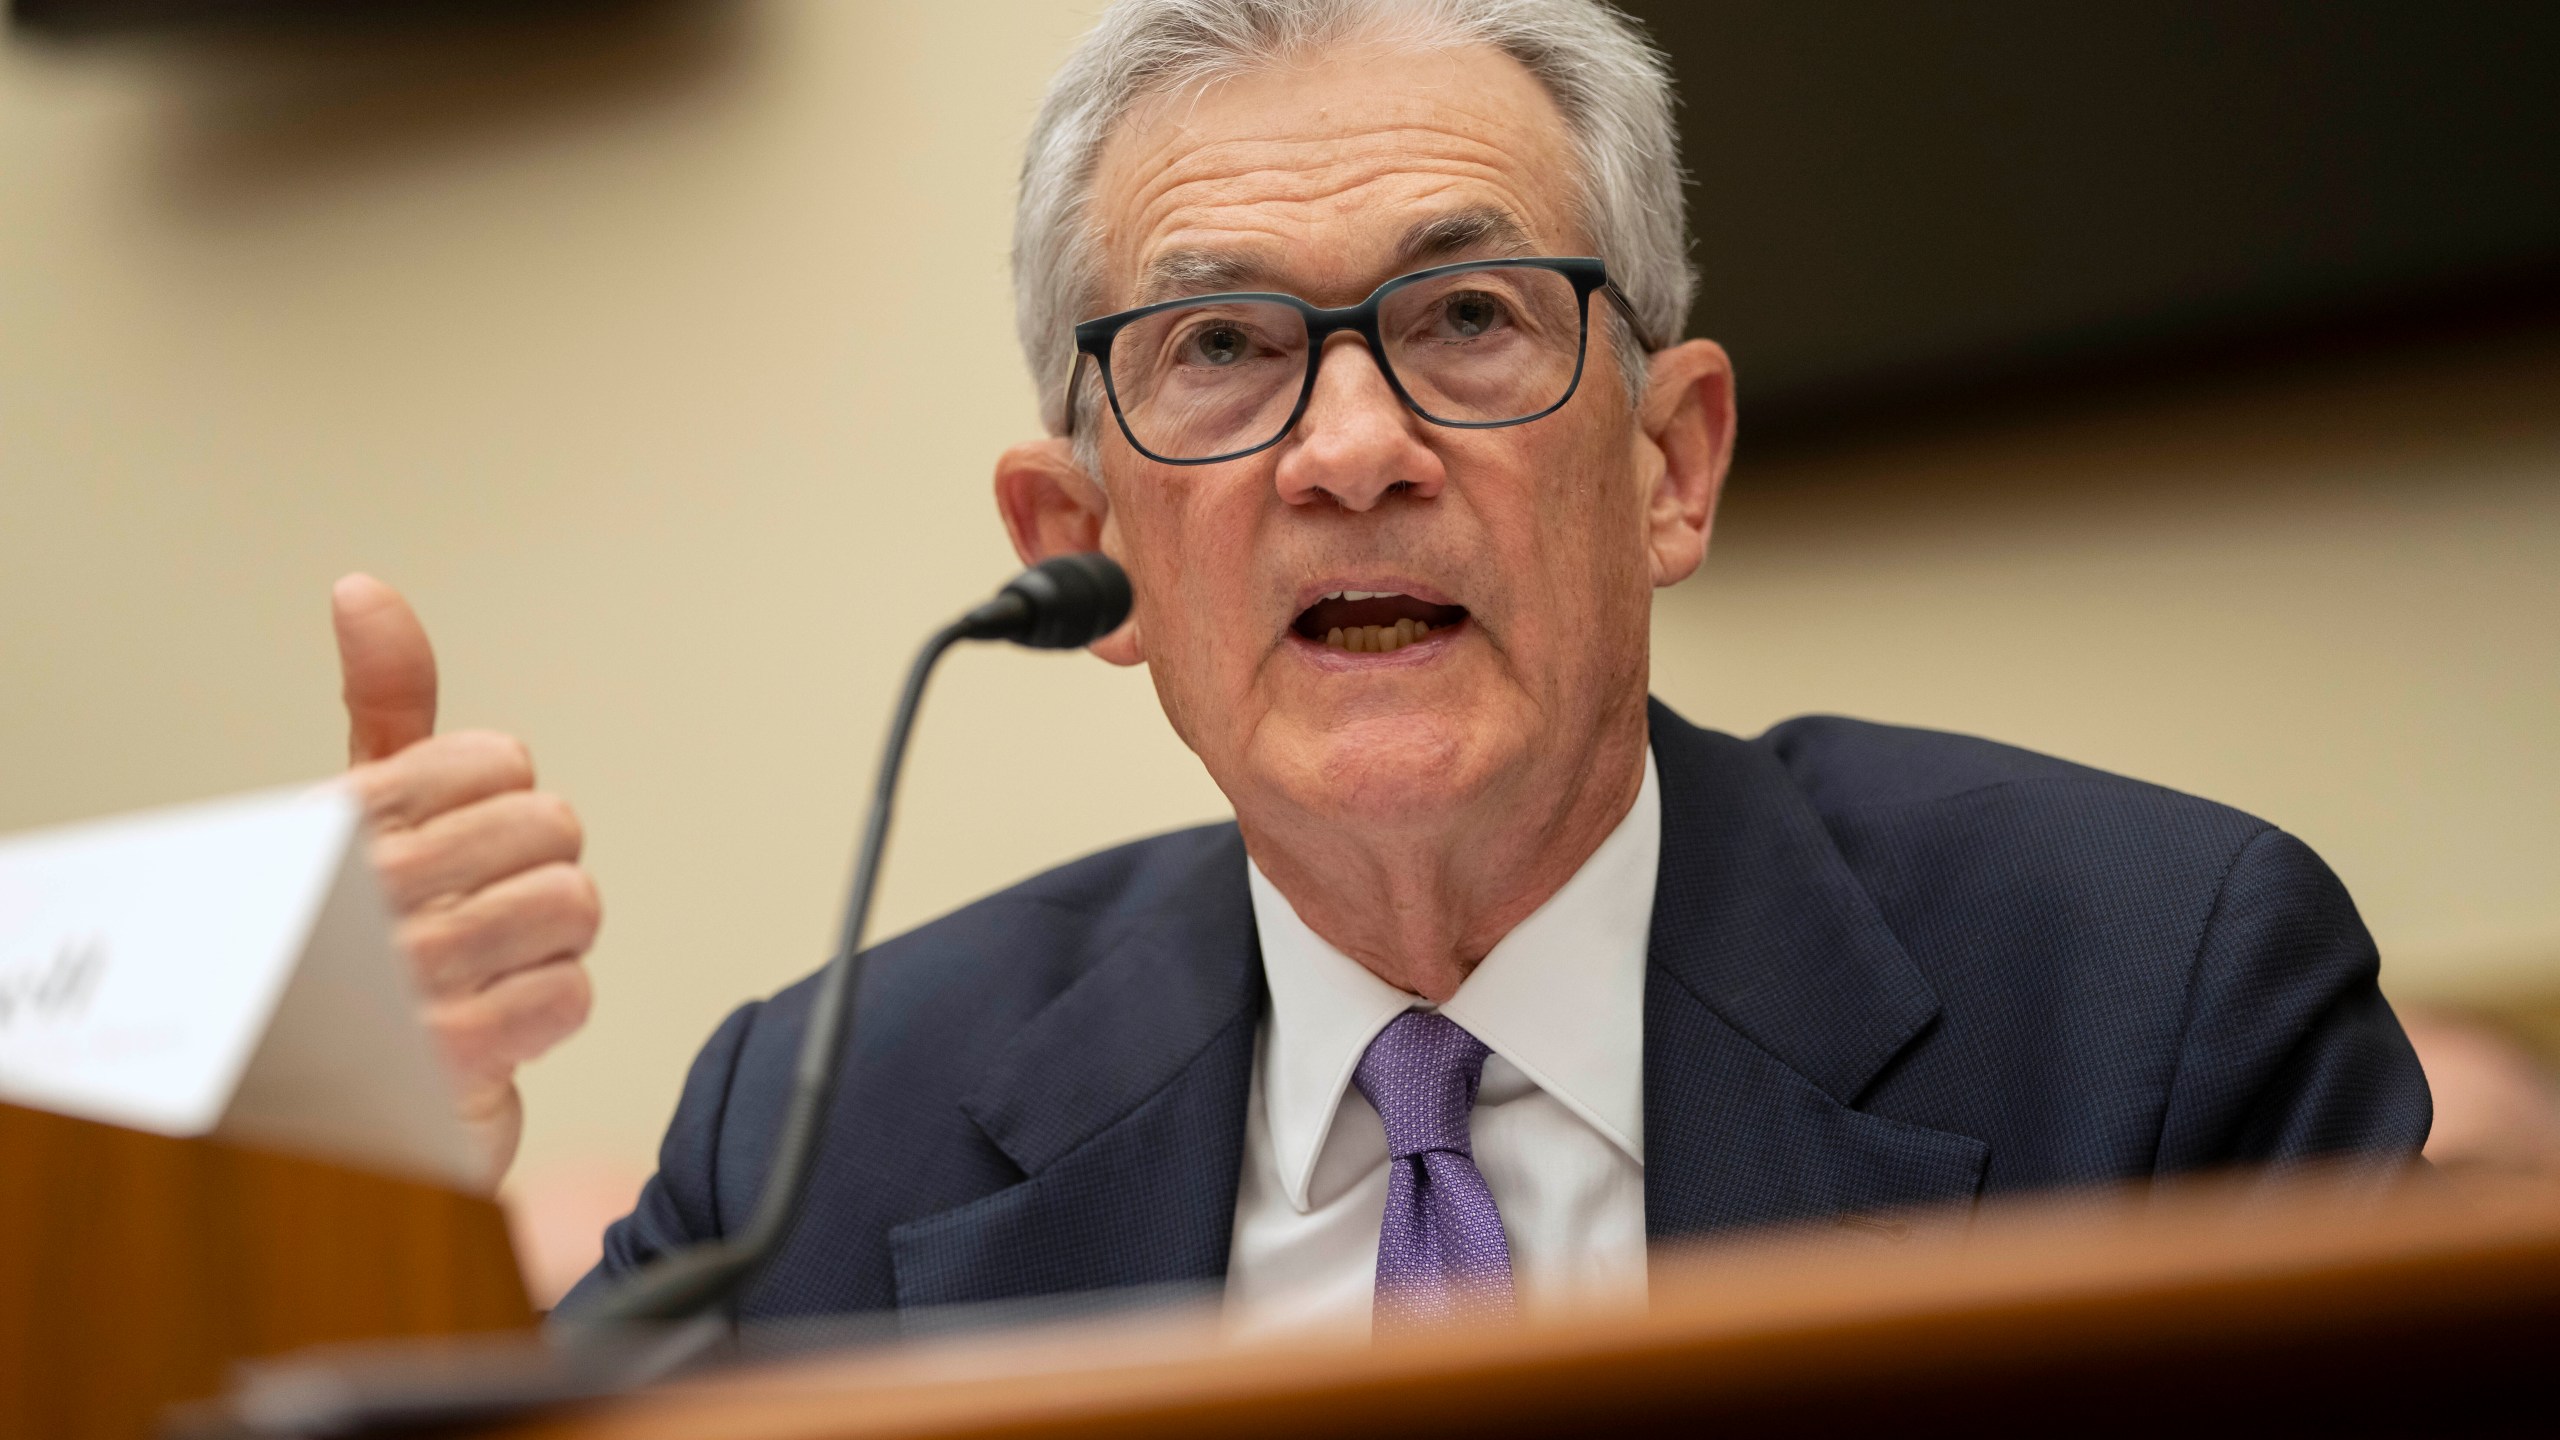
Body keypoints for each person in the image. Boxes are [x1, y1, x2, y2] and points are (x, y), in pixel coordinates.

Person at [339, 0, 2432, 1333]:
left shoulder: (2147, 1000)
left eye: (1469, 320)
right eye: (1222, 349)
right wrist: (351, 1157)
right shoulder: (824, 1128)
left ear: (1669, 465)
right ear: (1084, 555)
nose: (1351, 450)